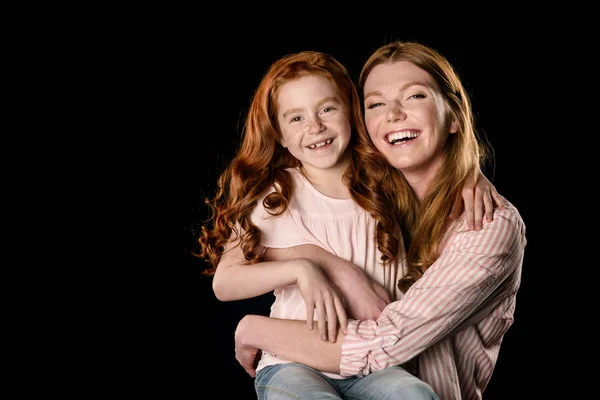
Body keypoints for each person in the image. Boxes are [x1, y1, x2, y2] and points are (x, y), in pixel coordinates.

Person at [199, 50, 502, 399]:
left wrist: (471, 174)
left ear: (351, 113)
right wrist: (302, 270)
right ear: (279, 134)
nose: (315, 126)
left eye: (327, 109)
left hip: (374, 366)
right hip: (294, 360)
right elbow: (225, 283)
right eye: (295, 118)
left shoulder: (384, 180)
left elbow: (435, 166)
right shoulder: (275, 194)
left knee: (415, 394)